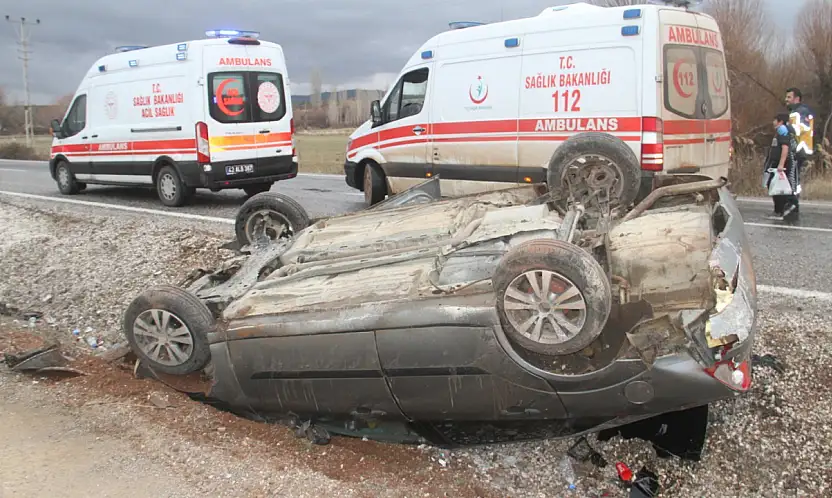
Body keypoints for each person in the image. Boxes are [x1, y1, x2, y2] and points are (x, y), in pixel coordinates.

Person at [784, 87, 815, 217]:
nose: (786, 100)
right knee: (793, 175)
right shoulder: (797, 111)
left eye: (789, 97)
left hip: (799, 148)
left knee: (793, 175)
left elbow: (800, 128)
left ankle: (792, 203)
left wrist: (785, 126)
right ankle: (791, 202)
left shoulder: (799, 112)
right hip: (799, 148)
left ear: (797, 99)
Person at [765, 113, 799, 220]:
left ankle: (783, 209)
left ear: (780, 121)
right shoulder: (780, 131)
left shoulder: (782, 130)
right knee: (775, 185)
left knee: (780, 187)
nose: (773, 122)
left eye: (775, 120)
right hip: (777, 163)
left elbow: (785, 148)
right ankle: (780, 209)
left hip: (783, 164)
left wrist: (781, 164)